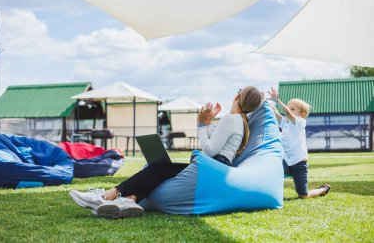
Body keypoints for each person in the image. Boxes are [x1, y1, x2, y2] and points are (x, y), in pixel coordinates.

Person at [69, 86, 263, 219]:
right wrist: (208, 122)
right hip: (218, 168)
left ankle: (105, 196)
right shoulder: (240, 122)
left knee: (157, 168)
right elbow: (213, 139)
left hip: (212, 169)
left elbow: (209, 150)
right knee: (160, 169)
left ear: (239, 97)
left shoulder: (231, 119)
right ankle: (129, 201)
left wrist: (201, 124)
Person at [267, 87, 330, 199]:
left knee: (303, 195)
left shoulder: (300, 122)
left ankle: (323, 189)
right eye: (289, 107)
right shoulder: (285, 122)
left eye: (293, 109)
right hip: (286, 160)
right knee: (274, 170)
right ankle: (277, 194)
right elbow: (276, 113)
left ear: (302, 114)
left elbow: (286, 112)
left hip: (299, 162)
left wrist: (277, 101)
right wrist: (264, 101)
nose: (289, 110)